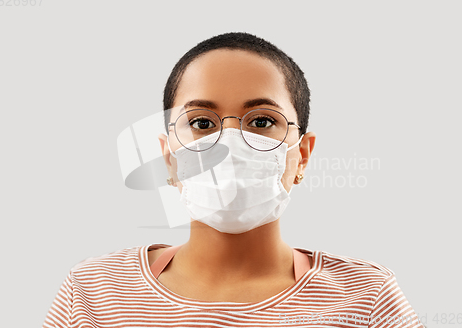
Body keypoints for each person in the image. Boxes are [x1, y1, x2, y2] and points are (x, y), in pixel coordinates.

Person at [43, 32, 425, 327]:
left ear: (302, 155)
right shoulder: (94, 293)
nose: (227, 143)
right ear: (168, 158)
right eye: (201, 124)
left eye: (261, 122)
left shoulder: (367, 298)